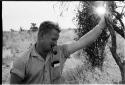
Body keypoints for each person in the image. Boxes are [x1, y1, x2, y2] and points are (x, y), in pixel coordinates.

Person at [10, 15, 107, 84]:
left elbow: (81, 42)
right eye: (53, 39)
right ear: (42, 36)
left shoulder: (61, 52)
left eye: (57, 40)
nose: (55, 43)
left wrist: (101, 26)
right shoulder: (22, 61)